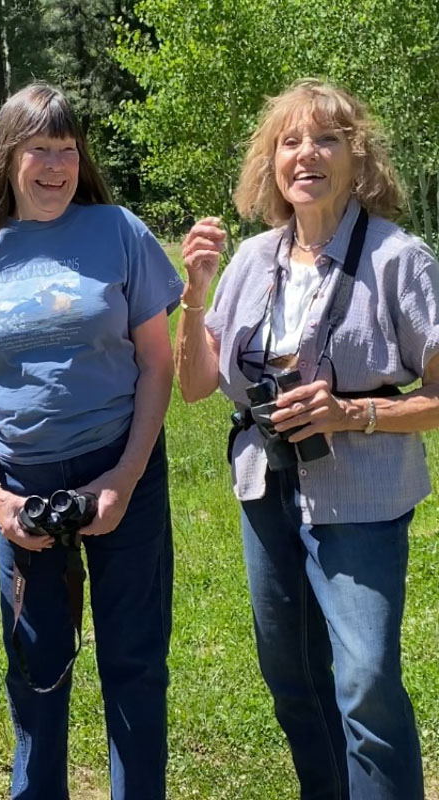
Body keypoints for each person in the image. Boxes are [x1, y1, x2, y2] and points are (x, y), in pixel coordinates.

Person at [175, 79, 436, 799]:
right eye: (289, 141)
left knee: (366, 684)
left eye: (325, 139)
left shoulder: (397, 259)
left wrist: (351, 413)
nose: (306, 154)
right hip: (266, 488)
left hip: (361, 497)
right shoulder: (252, 260)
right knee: (292, 680)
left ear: (359, 158)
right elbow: (196, 384)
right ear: (270, 162)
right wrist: (195, 294)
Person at [0, 83, 183, 799]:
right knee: (36, 667)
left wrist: (124, 480)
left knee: (135, 662)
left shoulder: (121, 232)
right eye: (39, 149)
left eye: (67, 150)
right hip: (24, 485)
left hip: (121, 467)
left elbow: (158, 362)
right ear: (9, 156)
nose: (55, 166)